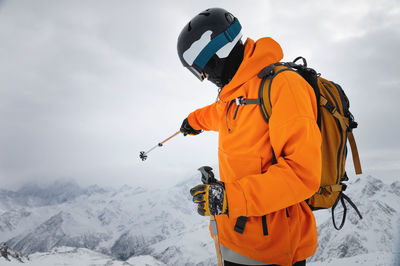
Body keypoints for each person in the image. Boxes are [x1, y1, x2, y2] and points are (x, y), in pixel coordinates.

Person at [177, 8, 322, 266]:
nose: (206, 78)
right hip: (233, 239)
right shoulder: (237, 94)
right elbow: (218, 114)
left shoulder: (283, 86)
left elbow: (302, 174)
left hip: (273, 250)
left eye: (203, 71)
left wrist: (227, 198)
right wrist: (193, 121)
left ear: (216, 57)